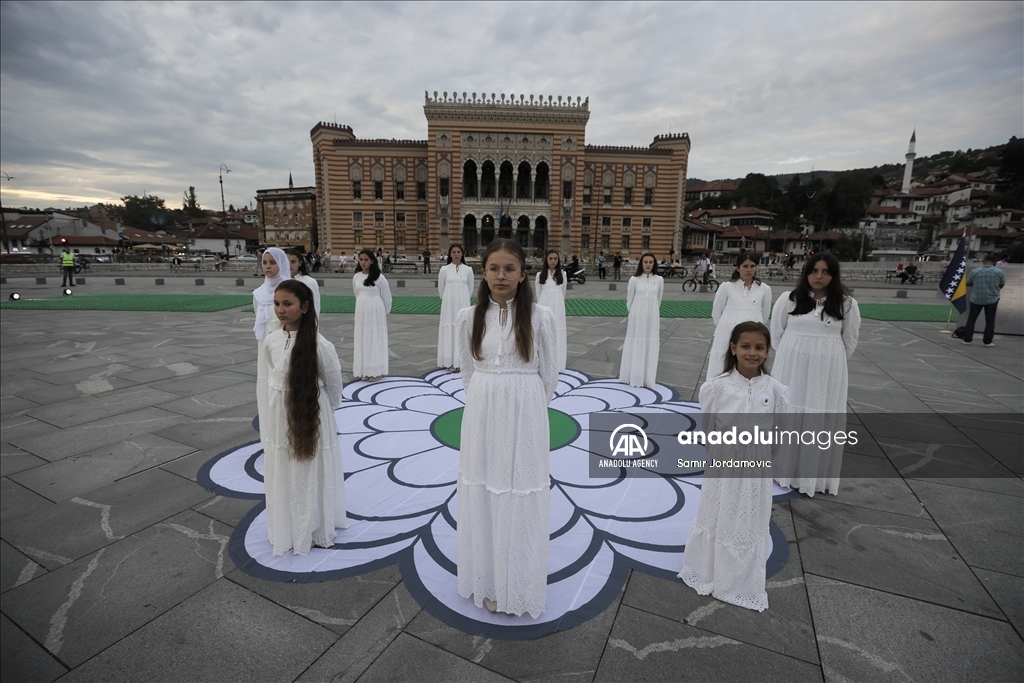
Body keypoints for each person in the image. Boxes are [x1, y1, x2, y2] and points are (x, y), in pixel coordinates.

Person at [456, 239, 558, 617]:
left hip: (525, 409)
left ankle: (517, 583)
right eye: (494, 268)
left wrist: (525, 407)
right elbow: (468, 370)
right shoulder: (468, 317)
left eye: (509, 268)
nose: (501, 275)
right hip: (482, 408)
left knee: (519, 489)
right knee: (484, 486)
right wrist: (488, 398)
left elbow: (549, 374)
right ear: (483, 273)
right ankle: (488, 578)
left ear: (523, 274)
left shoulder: (540, 317)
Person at [678, 321, 788, 612]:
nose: (753, 352)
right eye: (746, 346)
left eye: (759, 347)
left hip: (756, 467)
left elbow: (779, 431)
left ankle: (738, 578)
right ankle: (708, 570)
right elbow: (708, 429)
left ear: (768, 350)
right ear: (733, 348)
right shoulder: (716, 387)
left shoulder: (776, 390)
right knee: (719, 511)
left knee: (748, 516)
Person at [261, 279, 347, 556]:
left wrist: (320, 411)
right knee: (284, 465)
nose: (280, 310)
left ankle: (311, 526)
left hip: (311, 414)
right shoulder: (271, 341)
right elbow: (274, 374)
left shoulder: (321, 345)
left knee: (308, 468)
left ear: (305, 307)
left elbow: (334, 387)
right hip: (280, 415)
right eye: (277, 304)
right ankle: (288, 524)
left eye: (288, 304)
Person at [770, 253, 860, 496]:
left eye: (825, 272)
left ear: (834, 275)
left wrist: (825, 360)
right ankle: (782, 469)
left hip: (825, 374)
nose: (819, 276)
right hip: (791, 370)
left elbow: (849, 342)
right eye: (814, 271)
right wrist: (796, 355)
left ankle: (811, 477)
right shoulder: (788, 300)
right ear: (806, 273)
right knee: (789, 414)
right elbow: (776, 335)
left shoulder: (847, 305)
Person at [706, 254, 773, 379]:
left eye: (752, 266)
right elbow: (716, 313)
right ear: (738, 268)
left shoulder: (764, 289)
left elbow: (764, 315)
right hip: (727, 334)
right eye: (745, 266)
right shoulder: (726, 287)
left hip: (752, 334)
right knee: (723, 365)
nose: (749, 270)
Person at [254, 248, 292, 424]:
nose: (267, 266)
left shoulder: (291, 290)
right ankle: (269, 431)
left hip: (286, 345)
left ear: (282, 264)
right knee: (267, 383)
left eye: (272, 262)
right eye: (264, 262)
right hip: (265, 347)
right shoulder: (259, 294)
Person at [619, 253, 664, 388]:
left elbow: (659, 299)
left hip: (652, 315)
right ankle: (633, 376)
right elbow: (629, 300)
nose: (648, 264)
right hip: (637, 315)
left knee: (650, 342)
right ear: (641, 264)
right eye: (645, 262)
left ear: (654, 264)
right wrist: (634, 314)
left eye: (651, 262)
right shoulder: (634, 279)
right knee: (636, 341)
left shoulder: (659, 280)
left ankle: (647, 378)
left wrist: (652, 312)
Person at [352, 249, 392, 381]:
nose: (363, 262)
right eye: (361, 259)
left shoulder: (380, 278)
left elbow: (387, 297)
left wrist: (384, 313)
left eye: (366, 260)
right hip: (361, 311)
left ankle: (376, 371)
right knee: (363, 339)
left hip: (375, 311)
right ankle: (366, 370)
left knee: (375, 339)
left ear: (372, 261)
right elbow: (356, 293)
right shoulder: (356, 277)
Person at [437, 243, 474, 371]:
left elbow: (470, 289)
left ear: (462, 254)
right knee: (449, 329)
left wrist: (462, 299)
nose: (456, 254)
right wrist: (449, 300)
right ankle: (449, 360)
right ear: (450, 254)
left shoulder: (468, 270)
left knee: (462, 330)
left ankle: (461, 361)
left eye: (458, 252)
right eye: (454, 252)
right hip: (448, 306)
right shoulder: (444, 270)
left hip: (463, 304)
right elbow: (441, 289)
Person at [962, 253, 1006, 347]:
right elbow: (1001, 285)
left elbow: (968, 283)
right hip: (992, 298)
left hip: (976, 298)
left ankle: (967, 339)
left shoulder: (975, 271)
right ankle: (987, 341)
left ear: (983, 261)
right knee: (990, 320)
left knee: (972, 318)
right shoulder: (999, 272)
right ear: (995, 262)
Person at [535, 249, 568, 371]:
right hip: (544, 304)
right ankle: (544, 363)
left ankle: (558, 364)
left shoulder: (563, 275)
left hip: (558, 306)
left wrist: (557, 302)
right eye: (550, 258)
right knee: (544, 331)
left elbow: (563, 292)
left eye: (555, 259)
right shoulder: (540, 275)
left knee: (558, 331)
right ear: (546, 260)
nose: (553, 261)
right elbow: (538, 294)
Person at [286, 249, 322, 318]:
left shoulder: (309, 281)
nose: (289, 265)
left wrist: (313, 323)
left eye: (293, 262)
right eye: (286, 262)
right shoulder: (278, 281)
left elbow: (315, 306)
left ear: (300, 263)